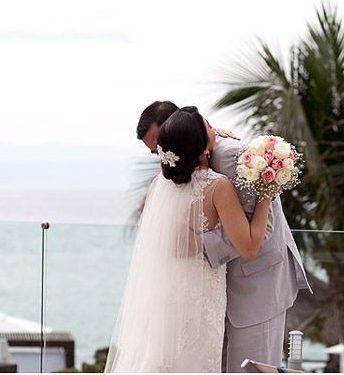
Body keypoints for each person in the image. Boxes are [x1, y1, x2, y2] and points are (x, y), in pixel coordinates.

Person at [134, 100, 313, 372]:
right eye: (156, 151)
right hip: (209, 291)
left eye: (161, 143)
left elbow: (263, 233)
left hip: (256, 284)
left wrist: (198, 245)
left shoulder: (230, 158)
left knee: (251, 369)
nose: (163, 154)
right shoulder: (180, 172)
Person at [105, 107, 272, 372]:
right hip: (201, 298)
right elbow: (249, 247)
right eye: (208, 127)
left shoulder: (163, 185)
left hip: (168, 294)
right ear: (203, 143)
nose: (214, 129)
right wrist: (266, 194)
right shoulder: (217, 186)